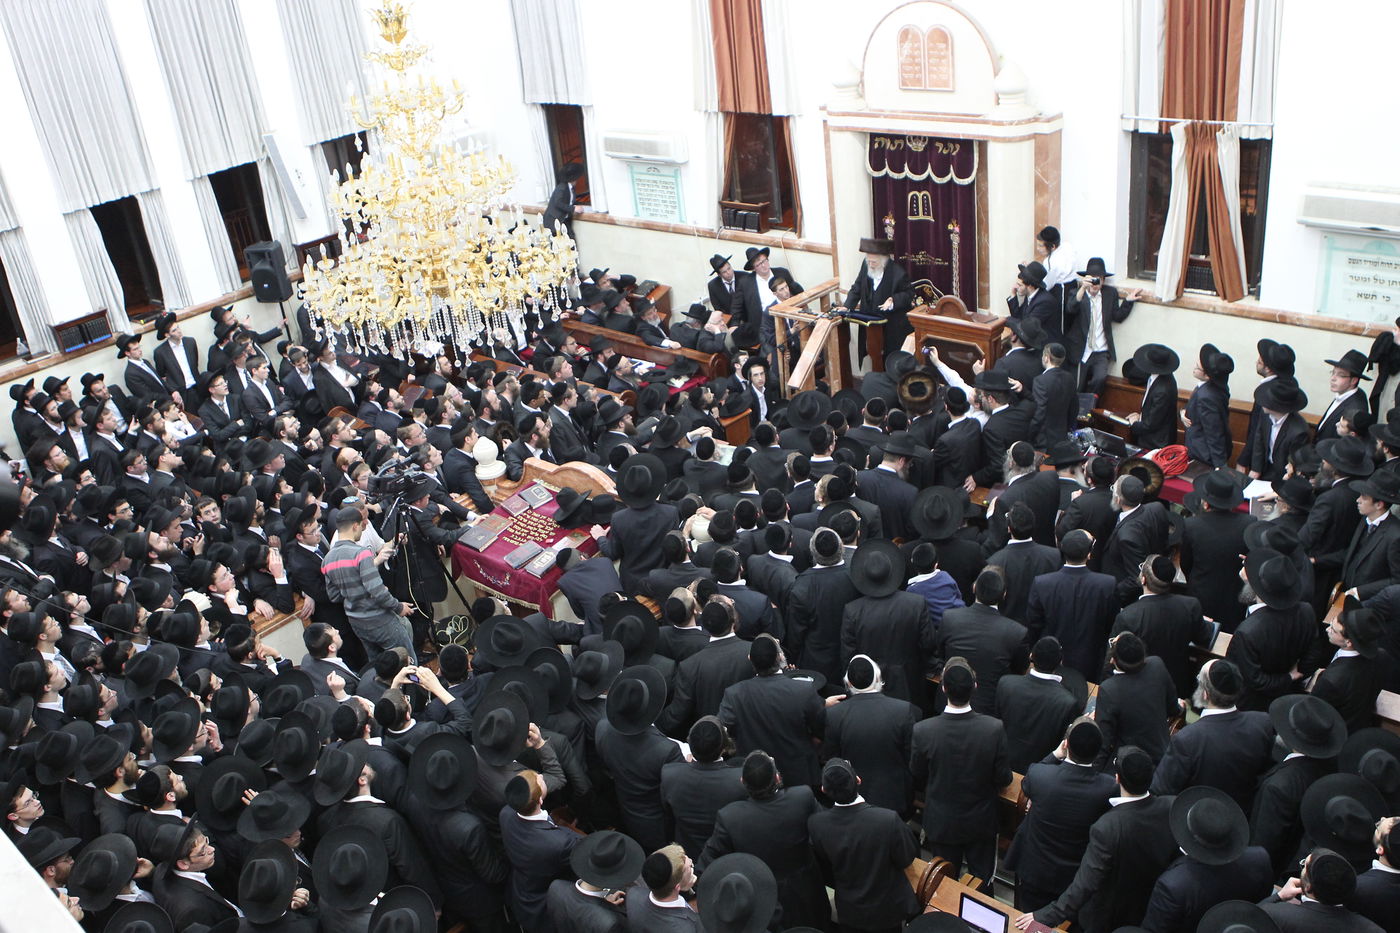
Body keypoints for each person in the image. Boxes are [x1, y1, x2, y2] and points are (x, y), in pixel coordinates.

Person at [1015, 747, 1177, 933]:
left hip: (1107, 915)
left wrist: (1043, 916)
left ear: (1117, 779)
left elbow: (1085, 885)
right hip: (1145, 907)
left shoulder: (1108, 827)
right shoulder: (1170, 807)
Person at [912, 658, 1012, 883]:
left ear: (944, 687)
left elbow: (917, 773)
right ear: (975, 687)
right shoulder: (993, 729)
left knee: (943, 886)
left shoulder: (923, 731)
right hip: (981, 822)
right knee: (981, 886)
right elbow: (1003, 777)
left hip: (942, 821)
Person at [1005, 719, 1117, 911]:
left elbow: (1027, 784)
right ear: (1098, 752)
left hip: (1035, 870)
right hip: (1074, 879)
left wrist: (1056, 754)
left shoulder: (1041, 775)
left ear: (1066, 744)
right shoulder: (1108, 788)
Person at [808, 757, 921, 933]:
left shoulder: (817, 824)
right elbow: (907, 857)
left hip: (850, 911)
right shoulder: (887, 819)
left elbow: (825, 862)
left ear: (824, 790)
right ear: (858, 780)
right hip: (887, 910)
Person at [1065, 257, 1140, 398]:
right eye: (1092, 279)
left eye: (1098, 279)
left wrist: (1128, 301)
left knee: (1100, 378)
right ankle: (1077, 412)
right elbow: (1071, 308)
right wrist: (1083, 288)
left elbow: (1117, 316)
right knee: (1077, 385)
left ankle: (1090, 407)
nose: (1095, 283)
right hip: (1081, 349)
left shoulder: (1109, 294)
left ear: (1103, 280)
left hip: (1101, 350)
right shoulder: (1077, 293)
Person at [843, 237, 914, 364]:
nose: (870, 265)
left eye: (874, 262)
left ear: (884, 261)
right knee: (873, 355)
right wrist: (847, 306)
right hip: (870, 324)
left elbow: (908, 294)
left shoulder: (898, 273)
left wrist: (893, 300)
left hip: (891, 326)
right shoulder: (866, 266)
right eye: (868, 261)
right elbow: (857, 287)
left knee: (889, 359)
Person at [1183, 342, 1234, 467]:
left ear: (1207, 375)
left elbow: (1214, 432)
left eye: (1197, 367)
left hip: (1204, 455)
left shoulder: (1207, 396)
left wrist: (1220, 466)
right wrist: (1183, 412)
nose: (1194, 368)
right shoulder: (1212, 387)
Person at [1125, 343, 1179, 449]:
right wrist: (1140, 416)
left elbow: (1151, 424)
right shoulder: (1162, 377)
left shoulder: (1163, 390)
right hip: (1153, 437)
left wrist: (1135, 423)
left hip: (1156, 443)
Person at [542, 163, 584, 238]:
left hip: (564, 220)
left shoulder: (571, 188)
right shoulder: (562, 187)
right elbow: (558, 202)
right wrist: (573, 208)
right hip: (554, 221)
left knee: (570, 240)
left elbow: (570, 201)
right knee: (559, 244)